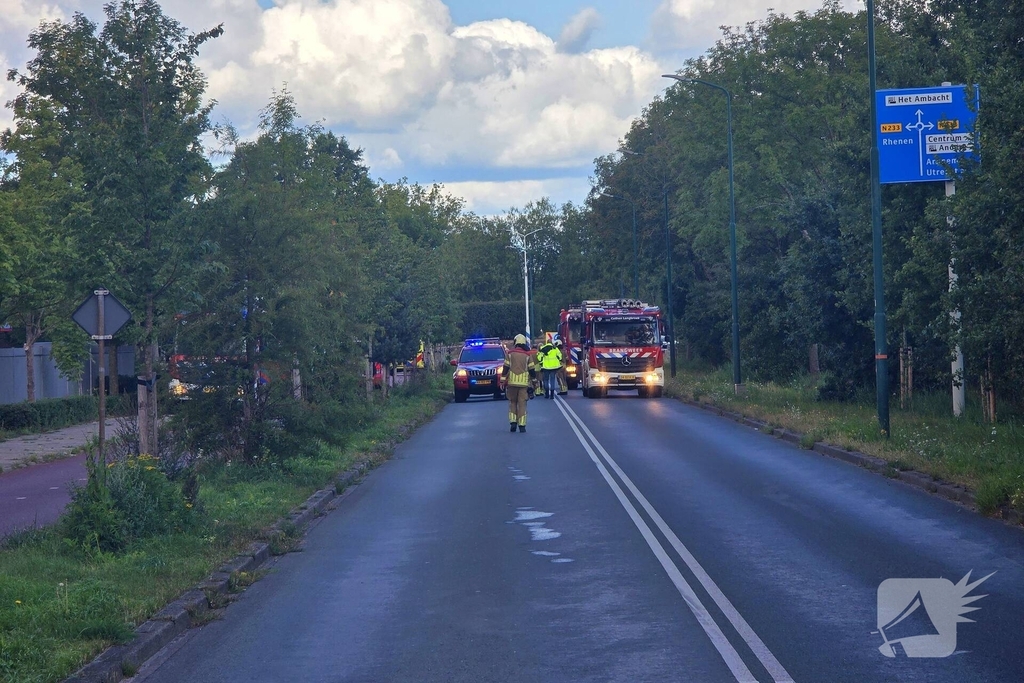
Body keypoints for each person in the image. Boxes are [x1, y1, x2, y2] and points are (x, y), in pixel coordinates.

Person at [503, 334, 536, 432]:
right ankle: (522, 425)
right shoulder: (527, 355)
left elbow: (505, 368)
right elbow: (532, 370)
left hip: (512, 383)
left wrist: (502, 380)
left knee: (512, 402)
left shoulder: (510, 353)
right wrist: (534, 382)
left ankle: (513, 422)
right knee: (522, 404)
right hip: (523, 384)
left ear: (515, 342)